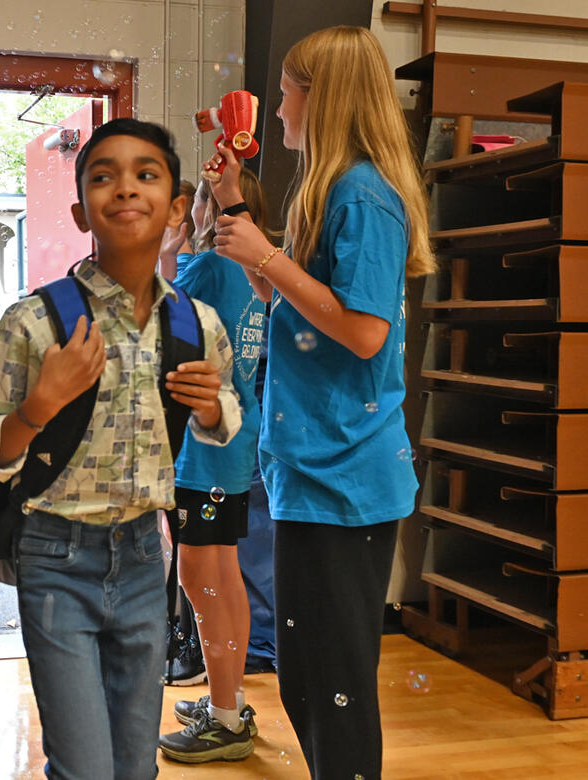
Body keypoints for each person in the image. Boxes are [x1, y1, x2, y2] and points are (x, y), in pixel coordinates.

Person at [0, 118, 241, 779]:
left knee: (135, 767)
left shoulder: (196, 324)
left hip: (147, 557)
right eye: (103, 176)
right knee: (86, 768)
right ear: (80, 208)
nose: (125, 189)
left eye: (147, 174)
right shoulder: (36, 320)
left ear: (177, 207)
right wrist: (38, 407)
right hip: (56, 558)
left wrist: (212, 408)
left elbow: (227, 415)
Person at [208, 25, 434, 779]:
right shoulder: (331, 188)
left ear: (320, 95)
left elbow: (365, 331)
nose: (276, 109)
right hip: (315, 471)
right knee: (310, 678)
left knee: (332, 688)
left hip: (346, 479)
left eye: (286, 92)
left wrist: (265, 254)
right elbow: (296, 308)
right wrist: (236, 210)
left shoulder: (363, 193)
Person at [157, 168, 269, 764]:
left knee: (203, 579)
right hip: (235, 439)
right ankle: (229, 705)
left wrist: (169, 251)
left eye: (195, 202)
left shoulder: (204, 268)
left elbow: (158, 326)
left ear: (208, 211)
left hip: (200, 448)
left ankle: (226, 722)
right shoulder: (255, 272)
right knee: (224, 577)